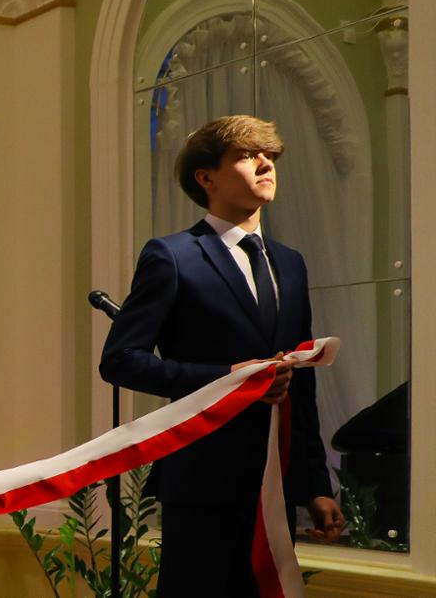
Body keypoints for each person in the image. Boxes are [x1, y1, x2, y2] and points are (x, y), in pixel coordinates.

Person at [100, 115, 346, 596]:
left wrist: (315, 485)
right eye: (247, 155)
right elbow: (121, 359)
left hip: (275, 484)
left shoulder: (290, 263)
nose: (264, 164)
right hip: (201, 480)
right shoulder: (172, 256)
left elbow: (303, 382)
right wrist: (226, 378)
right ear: (206, 178)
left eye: (270, 156)